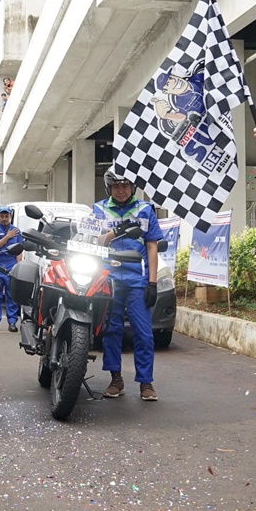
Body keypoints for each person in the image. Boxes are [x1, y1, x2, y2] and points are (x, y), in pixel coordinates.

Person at [93, 170, 163, 401]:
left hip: (137, 279)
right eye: (115, 186)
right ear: (108, 188)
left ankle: (146, 383)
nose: (121, 190)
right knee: (111, 330)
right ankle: (116, 379)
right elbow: (93, 241)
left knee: (143, 333)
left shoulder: (145, 210)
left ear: (133, 187)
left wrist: (152, 283)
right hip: (107, 279)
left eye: (125, 185)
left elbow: (152, 246)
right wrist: (116, 232)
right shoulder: (98, 209)